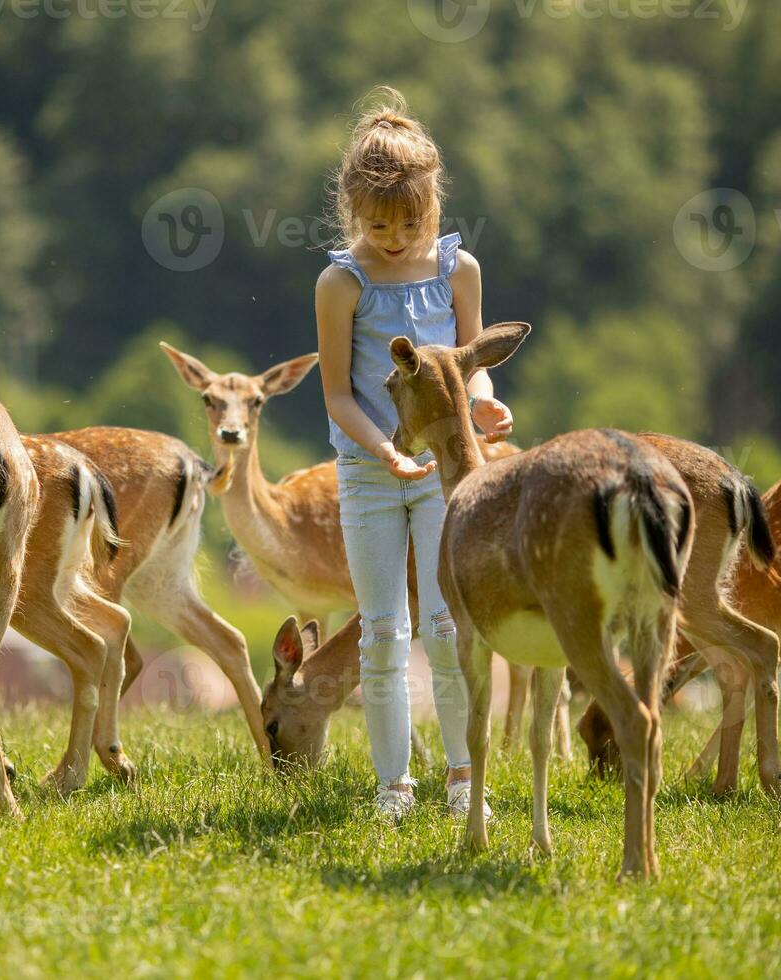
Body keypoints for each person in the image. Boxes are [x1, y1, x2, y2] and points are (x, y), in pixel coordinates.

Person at [314, 87, 514, 822]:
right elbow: (338, 395)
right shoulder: (341, 283)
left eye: (409, 220)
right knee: (382, 632)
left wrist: (484, 398)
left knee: (447, 624)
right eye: (377, 223)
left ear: (432, 205)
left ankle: (466, 781)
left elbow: (471, 360)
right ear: (351, 211)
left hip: (443, 479)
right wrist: (384, 452)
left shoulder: (459, 270)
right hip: (370, 474)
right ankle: (393, 789)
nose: (394, 236)